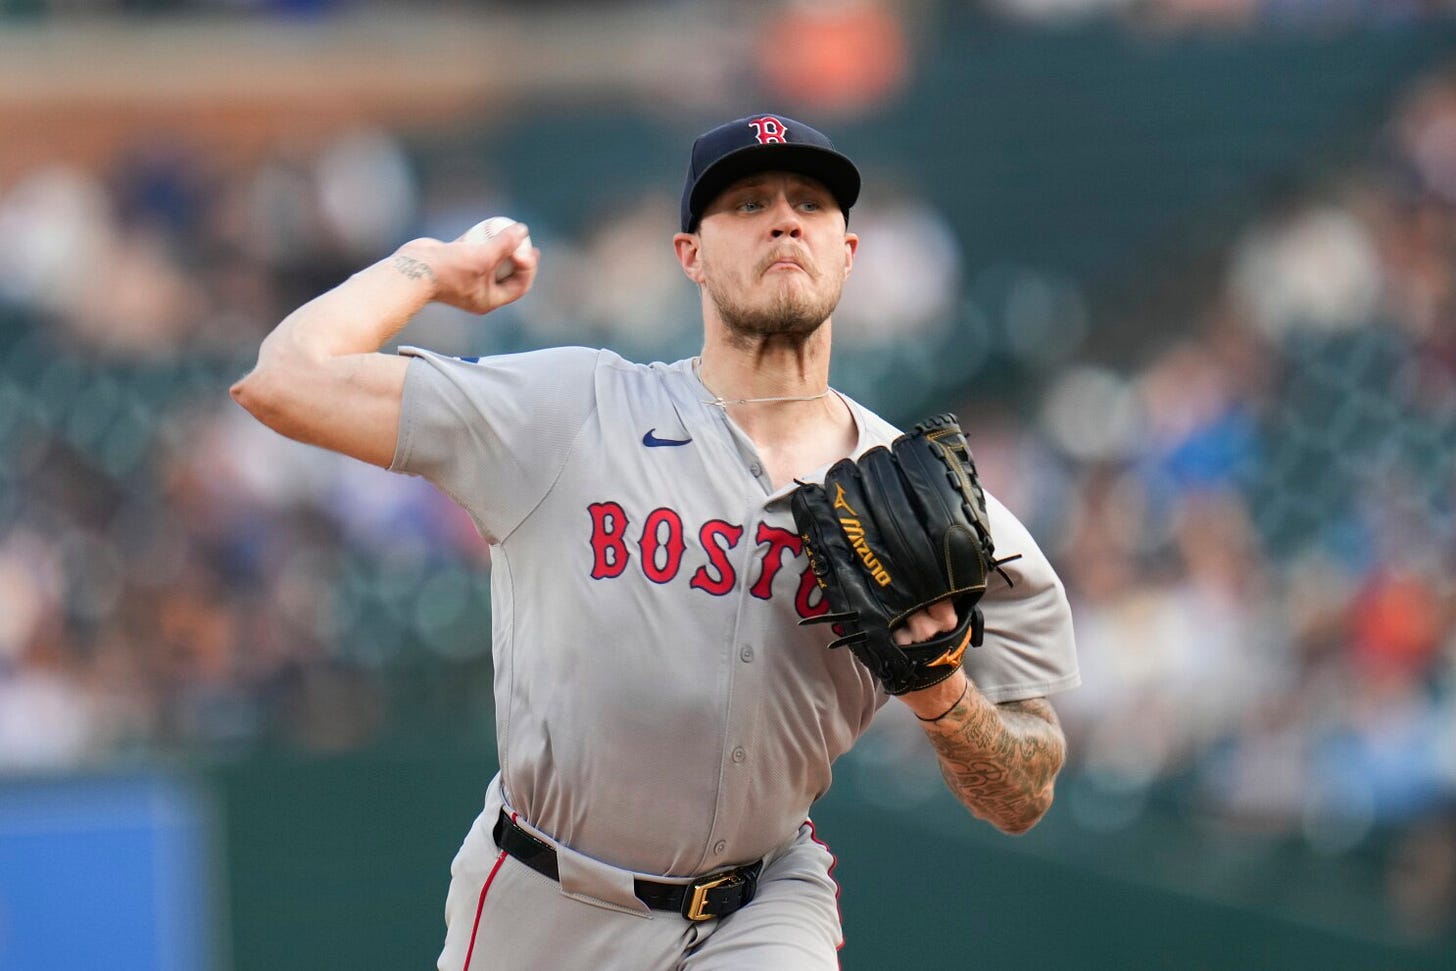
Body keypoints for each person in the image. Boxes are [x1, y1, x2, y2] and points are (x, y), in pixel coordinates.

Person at [231, 112, 1080, 971]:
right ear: (691, 256)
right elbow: (285, 380)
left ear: (848, 252)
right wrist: (427, 268)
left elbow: (1024, 790)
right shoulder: (573, 411)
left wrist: (943, 698)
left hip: (759, 909)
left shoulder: (928, 504)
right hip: (543, 899)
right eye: (746, 204)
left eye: (811, 204)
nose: (783, 219)